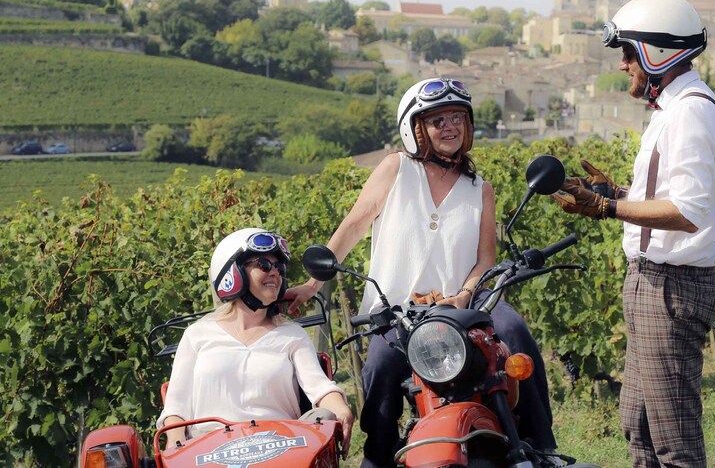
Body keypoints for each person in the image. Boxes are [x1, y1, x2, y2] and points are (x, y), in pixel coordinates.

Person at [287, 78, 562, 467]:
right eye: (438, 121)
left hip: (466, 304)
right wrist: (314, 282)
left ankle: (539, 445)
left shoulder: (480, 188)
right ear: (416, 129)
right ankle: (379, 457)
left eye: (456, 119)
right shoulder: (396, 169)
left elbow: (486, 259)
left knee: (513, 330)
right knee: (382, 364)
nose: (449, 127)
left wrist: (465, 294)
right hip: (397, 306)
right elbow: (353, 225)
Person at [553, 0, 715, 468]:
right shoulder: (670, 110)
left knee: (673, 440)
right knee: (640, 424)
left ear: (657, 52)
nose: (623, 65)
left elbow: (690, 210)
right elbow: (673, 193)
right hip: (652, 282)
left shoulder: (690, 111)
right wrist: (613, 189)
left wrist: (609, 207)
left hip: (671, 287)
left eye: (628, 53)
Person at [156, 227, 353, 455]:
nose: (275, 273)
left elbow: (319, 387)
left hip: (279, 448)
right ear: (232, 272)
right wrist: (176, 441)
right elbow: (176, 406)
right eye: (264, 265)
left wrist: (340, 408)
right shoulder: (197, 335)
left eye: (279, 267)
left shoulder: (292, 335)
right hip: (211, 451)